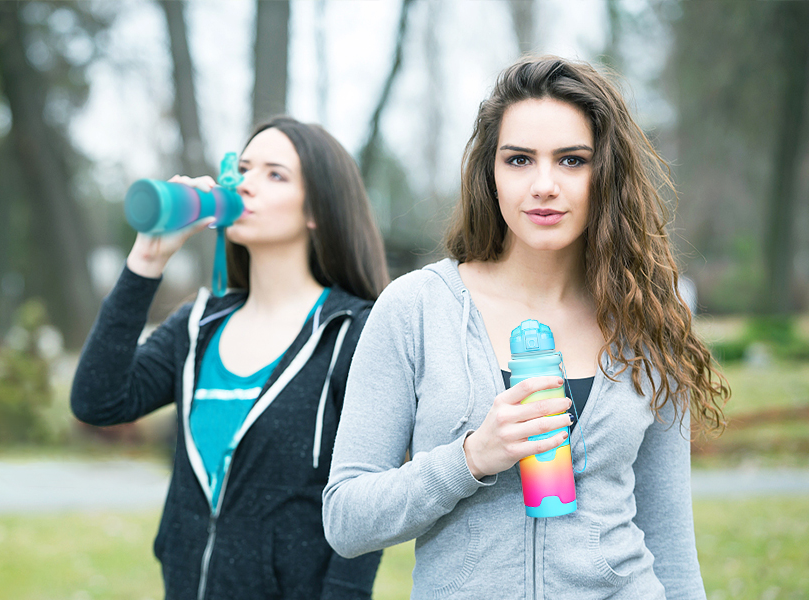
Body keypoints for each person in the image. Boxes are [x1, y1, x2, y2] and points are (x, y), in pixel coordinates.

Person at [322, 56, 729, 599]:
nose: (543, 185)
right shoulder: (416, 309)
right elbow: (346, 521)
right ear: (489, 173)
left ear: (605, 172)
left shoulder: (647, 317)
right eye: (519, 160)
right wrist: (470, 458)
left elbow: (673, 552)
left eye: (571, 160)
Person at [71, 116, 390, 599]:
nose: (246, 184)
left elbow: (365, 515)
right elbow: (98, 401)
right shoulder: (197, 325)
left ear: (316, 211)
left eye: (274, 174)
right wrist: (147, 262)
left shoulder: (353, 332)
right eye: (242, 169)